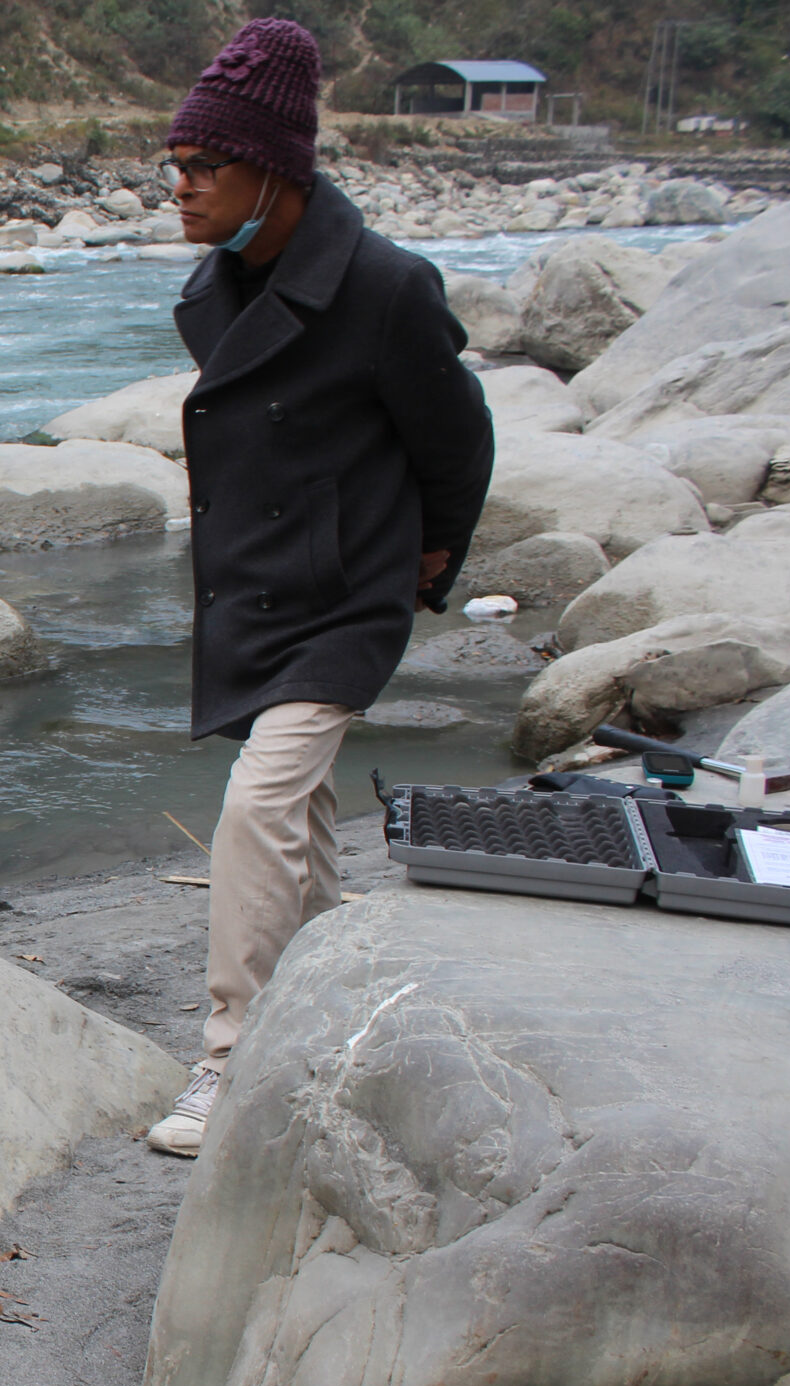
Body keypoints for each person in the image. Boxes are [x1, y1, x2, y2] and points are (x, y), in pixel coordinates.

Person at [141, 20, 493, 1156]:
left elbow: (457, 441)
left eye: (203, 169)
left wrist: (428, 557)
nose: (179, 189)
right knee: (300, 818)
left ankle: (228, 1057)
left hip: (345, 598)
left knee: (255, 808)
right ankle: (348, 984)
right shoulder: (220, 283)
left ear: (274, 173)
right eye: (176, 168)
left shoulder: (385, 287)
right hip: (255, 590)